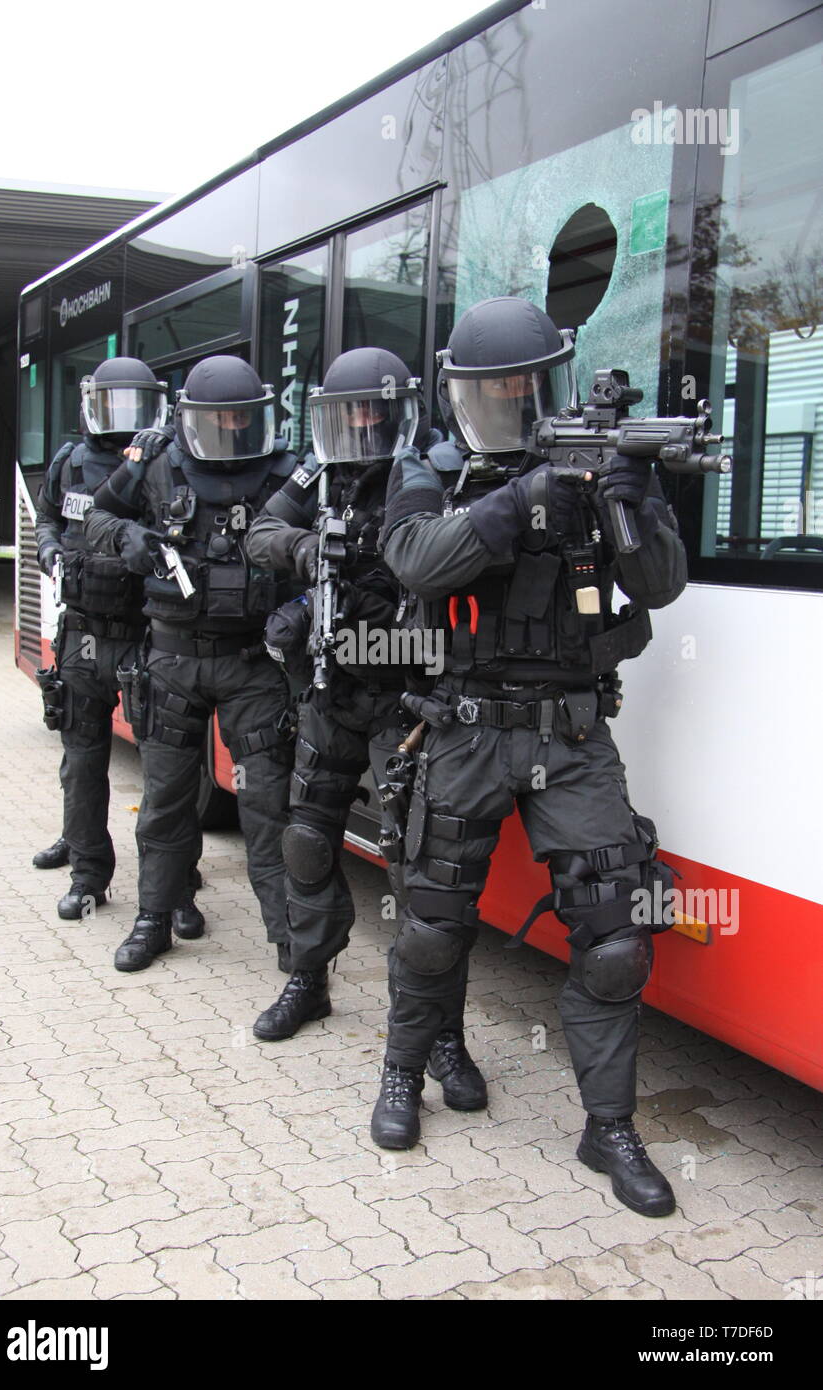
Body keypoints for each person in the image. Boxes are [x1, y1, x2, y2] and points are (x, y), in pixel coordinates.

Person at [370, 296, 687, 1219]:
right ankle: (402, 1074)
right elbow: (418, 562)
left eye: (520, 381)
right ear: (460, 391)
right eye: (487, 386)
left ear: (545, 379)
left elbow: (658, 587)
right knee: (431, 921)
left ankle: (609, 1125)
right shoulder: (429, 466)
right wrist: (520, 500)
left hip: (574, 734)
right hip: (465, 728)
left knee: (617, 939)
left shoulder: (596, 457)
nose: (505, 398)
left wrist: (627, 504)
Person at [244, 348, 486, 1109]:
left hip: (404, 704)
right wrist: (308, 547)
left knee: (424, 882)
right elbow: (258, 533)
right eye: (345, 412)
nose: (359, 424)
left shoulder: (427, 474)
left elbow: (453, 571)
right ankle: (308, 980)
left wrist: (387, 599)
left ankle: (440, 1035)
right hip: (328, 695)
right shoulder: (318, 480)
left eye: (371, 411)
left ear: (396, 411)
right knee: (308, 844)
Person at [84, 355, 298, 972]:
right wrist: (127, 539)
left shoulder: (286, 473)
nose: (229, 426)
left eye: (240, 417)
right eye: (217, 417)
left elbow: (326, 556)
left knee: (268, 808)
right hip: (173, 658)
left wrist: (303, 607)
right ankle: (156, 918)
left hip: (254, 662)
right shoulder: (155, 461)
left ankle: (291, 947)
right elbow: (92, 515)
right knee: (165, 802)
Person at [34, 357, 192, 921]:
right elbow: (47, 517)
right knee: (82, 762)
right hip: (79, 635)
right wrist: (49, 548)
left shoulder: (162, 465)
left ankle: (175, 888)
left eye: (135, 404)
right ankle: (87, 874)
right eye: (112, 403)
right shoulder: (69, 461)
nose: (123, 418)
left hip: (142, 637)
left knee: (167, 769)